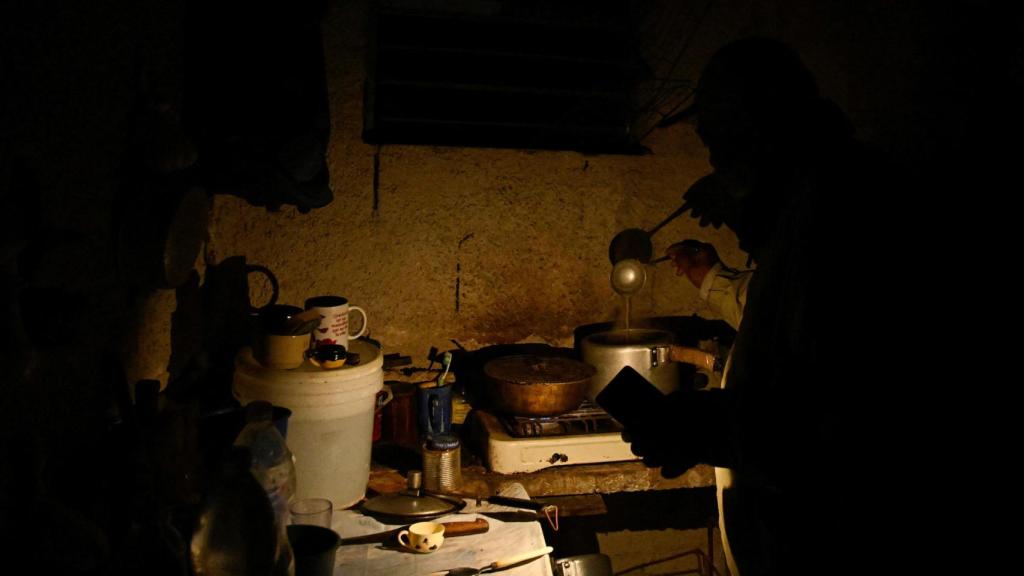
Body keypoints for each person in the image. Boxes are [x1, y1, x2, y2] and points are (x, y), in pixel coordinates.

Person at [617, 37, 903, 576]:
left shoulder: (847, 211)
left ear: (763, 128)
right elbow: (783, 326)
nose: (715, 160)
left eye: (720, 141)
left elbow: (845, 427)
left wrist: (705, 427)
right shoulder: (809, 204)